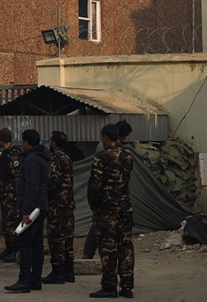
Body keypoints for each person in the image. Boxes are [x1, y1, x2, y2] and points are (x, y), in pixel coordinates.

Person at [87, 123, 134, 298]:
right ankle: (127, 287)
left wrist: (94, 205)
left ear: (105, 137)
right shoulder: (127, 156)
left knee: (108, 248)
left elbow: (94, 186)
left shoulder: (101, 157)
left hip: (106, 210)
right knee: (126, 247)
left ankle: (109, 286)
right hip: (125, 208)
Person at [4, 129, 50, 293]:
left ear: (27, 143)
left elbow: (31, 187)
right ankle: (35, 280)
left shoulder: (31, 160)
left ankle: (24, 280)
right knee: (37, 244)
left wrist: (26, 212)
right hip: (41, 206)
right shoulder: (42, 159)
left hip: (33, 208)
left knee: (25, 243)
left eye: (23, 141)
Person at [84, 119, 132, 260]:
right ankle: (89, 254)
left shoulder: (116, 152)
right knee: (102, 231)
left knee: (105, 232)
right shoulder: (116, 153)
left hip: (111, 202)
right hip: (109, 202)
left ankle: (92, 254)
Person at [42, 130, 76, 284]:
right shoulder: (67, 158)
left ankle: (57, 272)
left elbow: (52, 181)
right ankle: (69, 272)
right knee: (68, 238)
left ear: (54, 143)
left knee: (56, 238)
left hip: (57, 204)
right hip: (68, 203)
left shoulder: (55, 158)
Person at [0, 127, 22, 262]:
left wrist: (12, 192)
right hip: (3, 193)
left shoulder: (13, 153)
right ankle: (9, 247)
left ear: (1, 139)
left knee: (12, 222)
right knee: (5, 222)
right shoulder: (1, 152)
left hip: (10, 194)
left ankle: (15, 249)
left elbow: (16, 174)